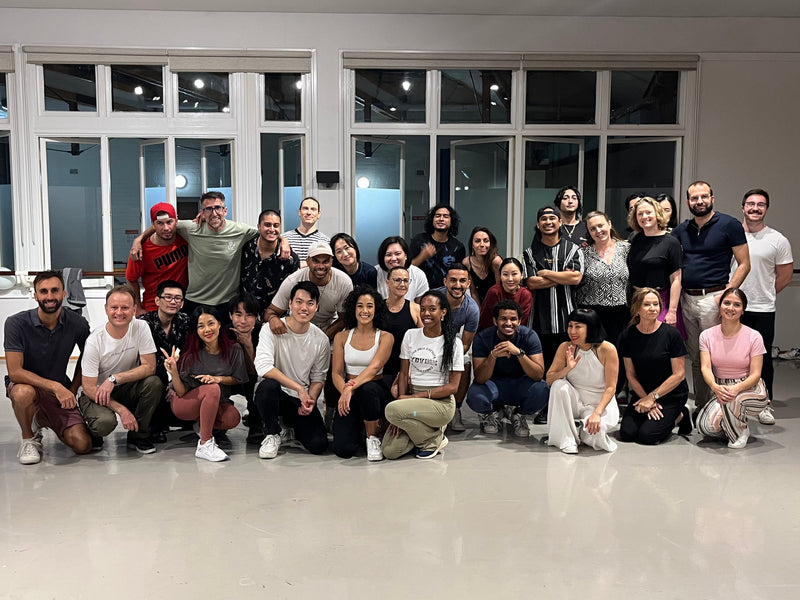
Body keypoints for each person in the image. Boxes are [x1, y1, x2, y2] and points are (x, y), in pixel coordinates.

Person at [672, 181, 750, 413]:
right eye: (695, 198)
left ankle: (723, 405)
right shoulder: (682, 230)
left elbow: (744, 264)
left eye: (704, 197)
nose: (700, 201)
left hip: (714, 298)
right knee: (696, 356)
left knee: (716, 356)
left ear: (712, 199)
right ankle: (703, 406)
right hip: (687, 298)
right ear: (688, 202)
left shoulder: (729, 225)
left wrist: (727, 294)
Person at [4, 270, 92, 464]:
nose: (49, 296)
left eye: (55, 290)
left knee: (82, 445)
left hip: (58, 389)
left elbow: (88, 357)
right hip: (26, 386)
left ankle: (40, 418)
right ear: (35, 295)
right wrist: (55, 386)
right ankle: (28, 438)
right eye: (43, 291)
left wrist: (72, 389)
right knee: (23, 393)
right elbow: (15, 372)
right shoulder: (15, 323)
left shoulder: (77, 323)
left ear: (64, 294)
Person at [130, 191, 260, 321]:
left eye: (218, 208)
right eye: (208, 209)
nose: (214, 213)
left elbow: (265, 233)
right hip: (194, 301)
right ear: (202, 212)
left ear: (225, 211)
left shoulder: (240, 231)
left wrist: (279, 242)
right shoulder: (191, 228)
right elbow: (163, 224)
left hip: (227, 301)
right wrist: (139, 239)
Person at [77, 285, 163, 454]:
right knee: (104, 423)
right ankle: (93, 430)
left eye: (125, 308)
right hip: (95, 392)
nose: (119, 312)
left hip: (123, 387)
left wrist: (114, 379)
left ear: (134, 309)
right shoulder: (95, 340)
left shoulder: (141, 327)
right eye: (114, 307)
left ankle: (139, 435)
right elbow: (88, 387)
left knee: (154, 383)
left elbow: (149, 367)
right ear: (106, 309)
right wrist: (122, 410)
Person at [733, 188, 793, 425]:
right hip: (732, 308)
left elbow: (785, 277)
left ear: (766, 209)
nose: (755, 208)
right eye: (750, 204)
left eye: (760, 204)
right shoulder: (731, 235)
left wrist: (763, 293)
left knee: (762, 358)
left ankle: (764, 403)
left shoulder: (777, 240)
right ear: (743, 207)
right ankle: (734, 401)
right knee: (733, 357)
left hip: (762, 309)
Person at [382, 290, 464, 460]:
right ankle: (431, 435)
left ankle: (430, 441)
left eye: (432, 309)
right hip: (413, 403)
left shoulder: (454, 343)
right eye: (423, 309)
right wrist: (403, 405)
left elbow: (453, 387)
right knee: (390, 451)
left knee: (391, 410)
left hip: (439, 404)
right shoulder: (411, 335)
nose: (426, 313)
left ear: (443, 312)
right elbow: (403, 373)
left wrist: (406, 405)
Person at [253, 281, 330, 459]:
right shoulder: (270, 330)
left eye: (310, 303)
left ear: (316, 307)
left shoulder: (321, 339)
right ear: (290, 304)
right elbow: (263, 367)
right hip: (276, 395)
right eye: (299, 302)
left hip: (298, 400)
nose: (304, 308)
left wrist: (310, 400)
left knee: (319, 445)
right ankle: (272, 433)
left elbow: (318, 378)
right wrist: (298, 388)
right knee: (267, 387)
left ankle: (289, 427)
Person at [162, 306, 247, 461]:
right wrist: (173, 372)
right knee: (212, 389)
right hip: (186, 401)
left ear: (219, 324)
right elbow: (181, 391)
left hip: (217, 401)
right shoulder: (191, 353)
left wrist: (218, 379)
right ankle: (205, 444)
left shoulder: (234, 349)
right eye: (201, 326)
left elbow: (238, 378)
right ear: (196, 331)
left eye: (211, 323)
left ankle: (202, 424)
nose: (207, 330)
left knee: (232, 417)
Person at [696, 288, 769, 449]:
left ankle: (739, 432)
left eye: (737, 305)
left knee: (733, 400)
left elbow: (756, 374)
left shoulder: (754, 336)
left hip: (749, 388)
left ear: (743, 310)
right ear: (720, 306)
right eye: (727, 303)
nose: (731, 308)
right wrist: (715, 387)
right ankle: (736, 422)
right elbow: (705, 368)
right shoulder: (706, 335)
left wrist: (736, 389)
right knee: (704, 427)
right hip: (721, 388)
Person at [618, 288, 691, 445]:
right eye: (647, 304)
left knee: (647, 436)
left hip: (671, 394)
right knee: (627, 433)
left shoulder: (672, 334)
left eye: (656, 304)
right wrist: (646, 399)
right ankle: (659, 415)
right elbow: (631, 374)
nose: (653, 308)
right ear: (637, 309)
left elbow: (679, 375)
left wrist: (652, 398)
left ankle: (681, 415)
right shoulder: (627, 335)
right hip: (642, 393)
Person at [467, 299, 549, 437]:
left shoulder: (529, 336)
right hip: (493, 384)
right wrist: (493, 356)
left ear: (520, 321)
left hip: (520, 384)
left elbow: (538, 375)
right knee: (475, 395)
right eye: (503, 319)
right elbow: (480, 378)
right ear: (495, 321)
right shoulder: (482, 337)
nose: (509, 323)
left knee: (542, 389)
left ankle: (519, 414)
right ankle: (492, 413)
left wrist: (519, 353)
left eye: (513, 319)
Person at [330, 286, 393, 461]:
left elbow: (374, 367)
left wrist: (350, 388)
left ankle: (372, 437)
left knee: (368, 389)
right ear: (353, 308)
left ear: (376, 309)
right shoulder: (341, 337)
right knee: (343, 450)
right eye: (360, 306)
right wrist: (345, 390)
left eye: (369, 306)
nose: (364, 311)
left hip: (374, 389)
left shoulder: (385, 337)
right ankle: (358, 428)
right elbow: (336, 373)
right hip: (349, 391)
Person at [546, 308, 619, 454]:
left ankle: (582, 431)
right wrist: (567, 369)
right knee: (559, 385)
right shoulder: (565, 347)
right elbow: (549, 380)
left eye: (578, 327)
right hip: (575, 401)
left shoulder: (607, 349)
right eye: (570, 326)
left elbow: (611, 387)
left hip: (598, 404)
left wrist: (596, 414)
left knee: (596, 436)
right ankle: (566, 439)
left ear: (590, 328)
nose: (572, 331)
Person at [523, 206, 584, 371]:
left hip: (568, 322)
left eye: (552, 218)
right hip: (538, 322)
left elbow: (576, 278)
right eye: (544, 219)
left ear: (560, 222)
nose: (548, 222)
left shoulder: (573, 249)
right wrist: (562, 276)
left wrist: (546, 273)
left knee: (567, 369)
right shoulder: (529, 253)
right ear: (538, 224)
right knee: (542, 371)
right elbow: (531, 283)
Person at [264, 240, 353, 340]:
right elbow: (271, 311)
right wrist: (273, 319)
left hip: (328, 329)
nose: (321, 266)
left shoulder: (344, 282)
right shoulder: (292, 281)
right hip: (296, 329)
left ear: (332, 261)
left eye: (326, 261)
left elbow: (344, 318)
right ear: (307, 261)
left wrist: (323, 338)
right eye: (316, 261)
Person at [138, 279, 191, 443]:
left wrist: (174, 383)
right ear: (157, 300)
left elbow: (187, 355)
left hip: (175, 376)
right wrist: (168, 383)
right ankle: (151, 427)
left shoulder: (185, 321)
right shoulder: (143, 323)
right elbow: (144, 362)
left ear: (182, 303)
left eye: (177, 298)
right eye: (168, 297)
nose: (173, 301)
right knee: (154, 382)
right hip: (151, 375)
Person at [627, 197, 685, 337]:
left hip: (660, 302)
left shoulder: (671, 242)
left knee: (660, 342)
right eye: (640, 214)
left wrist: (672, 311)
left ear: (657, 213)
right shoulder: (635, 239)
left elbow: (676, 279)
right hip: (637, 301)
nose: (644, 216)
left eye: (648, 212)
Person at [577, 210, 630, 350]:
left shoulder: (626, 248)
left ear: (609, 224)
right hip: (591, 314)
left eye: (601, 225)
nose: (598, 231)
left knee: (618, 354)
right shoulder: (582, 252)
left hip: (620, 314)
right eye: (592, 229)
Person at [436, 264, 479, 432]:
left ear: (468, 283)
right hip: (430, 340)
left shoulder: (472, 309)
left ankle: (456, 409)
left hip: (453, 343)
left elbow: (466, 344)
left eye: (462, 281)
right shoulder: (433, 298)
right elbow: (422, 329)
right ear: (445, 282)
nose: (457, 285)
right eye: (453, 280)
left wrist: (449, 359)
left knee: (465, 362)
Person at [125, 202, 188, 316]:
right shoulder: (141, 250)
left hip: (182, 305)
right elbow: (131, 279)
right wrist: (137, 307)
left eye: (169, 222)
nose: (166, 228)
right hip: (153, 308)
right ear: (153, 225)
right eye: (160, 223)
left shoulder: (185, 237)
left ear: (176, 221)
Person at [239, 208, 300, 320]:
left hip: (276, 317)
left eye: (276, 225)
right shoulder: (246, 248)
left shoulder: (291, 258)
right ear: (259, 227)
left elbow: (295, 291)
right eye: (267, 225)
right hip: (247, 316)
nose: (272, 229)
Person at [227, 293, 264, 445]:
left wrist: (248, 344)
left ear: (256, 317)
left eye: (249, 315)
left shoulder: (263, 333)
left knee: (259, 384)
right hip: (227, 378)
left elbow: (258, 371)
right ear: (230, 315)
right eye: (238, 314)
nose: (243, 321)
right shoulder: (222, 332)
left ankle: (256, 424)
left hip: (251, 378)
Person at [382, 266, 424, 395]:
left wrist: (409, 371)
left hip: (406, 368)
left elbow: (424, 343)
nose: (402, 284)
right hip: (380, 367)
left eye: (406, 280)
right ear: (388, 282)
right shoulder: (377, 308)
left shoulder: (416, 309)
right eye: (397, 280)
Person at [410, 203, 467, 289]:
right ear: (432, 219)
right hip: (421, 290)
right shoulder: (419, 240)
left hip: (446, 292)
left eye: (446, 216)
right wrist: (422, 256)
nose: (441, 219)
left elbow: (459, 274)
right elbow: (408, 269)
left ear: (451, 221)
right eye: (438, 216)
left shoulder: (458, 247)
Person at [478, 257, 533, 330]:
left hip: (517, 333)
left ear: (521, 275)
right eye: (505, 274)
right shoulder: (494, 292)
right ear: (500, 275)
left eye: (514, 274)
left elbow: (522, 323)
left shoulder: (525, 295)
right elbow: (486, 322)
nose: (510, 279)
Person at [375, 236, 428, 301]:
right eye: (388, 255)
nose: (393, 258)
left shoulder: (418, 274)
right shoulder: (374, 273)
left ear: (405, 255)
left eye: (397, 254)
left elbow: (422, 304)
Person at [283, 196, 329, 266]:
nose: (309, 212)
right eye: (305, 208)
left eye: (313, 209)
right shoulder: (284, 239)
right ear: (299, 212)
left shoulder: (326, 242)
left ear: (318, 214)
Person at [462, 226, 503, 307]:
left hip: (498, 302)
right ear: (472, 245)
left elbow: (500, 290)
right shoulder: (467, 262)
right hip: (479, 303)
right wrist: (480, 312)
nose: (482, 245)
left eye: (486, 241)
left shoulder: (496, 261)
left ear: (490, 244)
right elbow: (473, 292)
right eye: (477, 241)